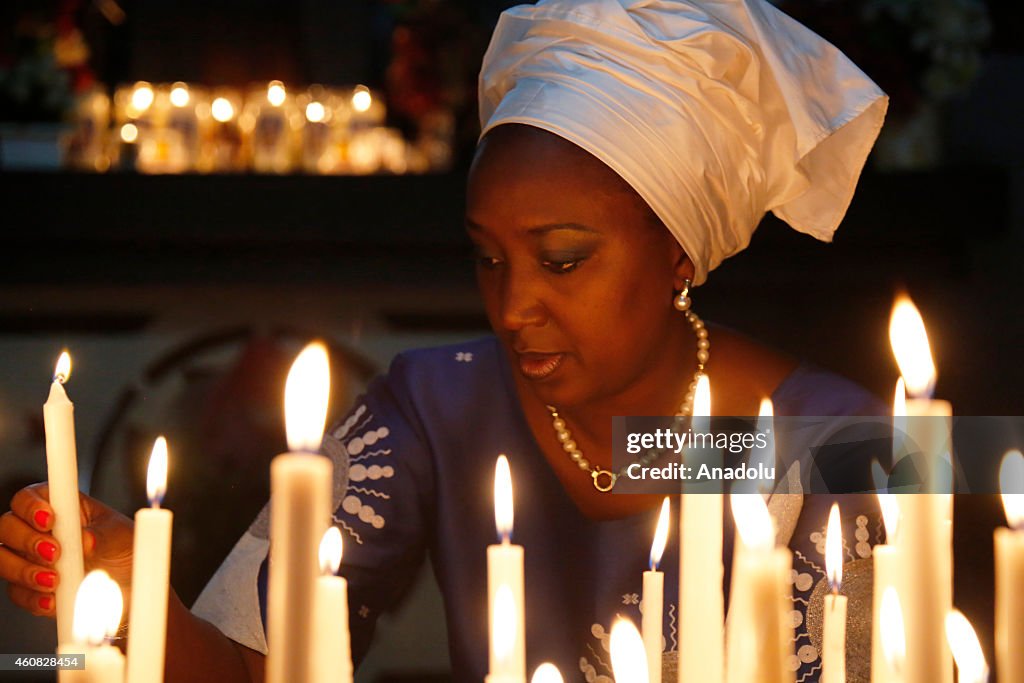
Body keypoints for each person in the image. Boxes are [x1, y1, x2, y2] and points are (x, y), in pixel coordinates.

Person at [0, 0, 889, 681]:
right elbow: (257, 667)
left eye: (563, 260)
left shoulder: (847, 440)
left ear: (681, 254)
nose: (512, 306)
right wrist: (134, 584)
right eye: (488, 259)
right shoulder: (437, 404)